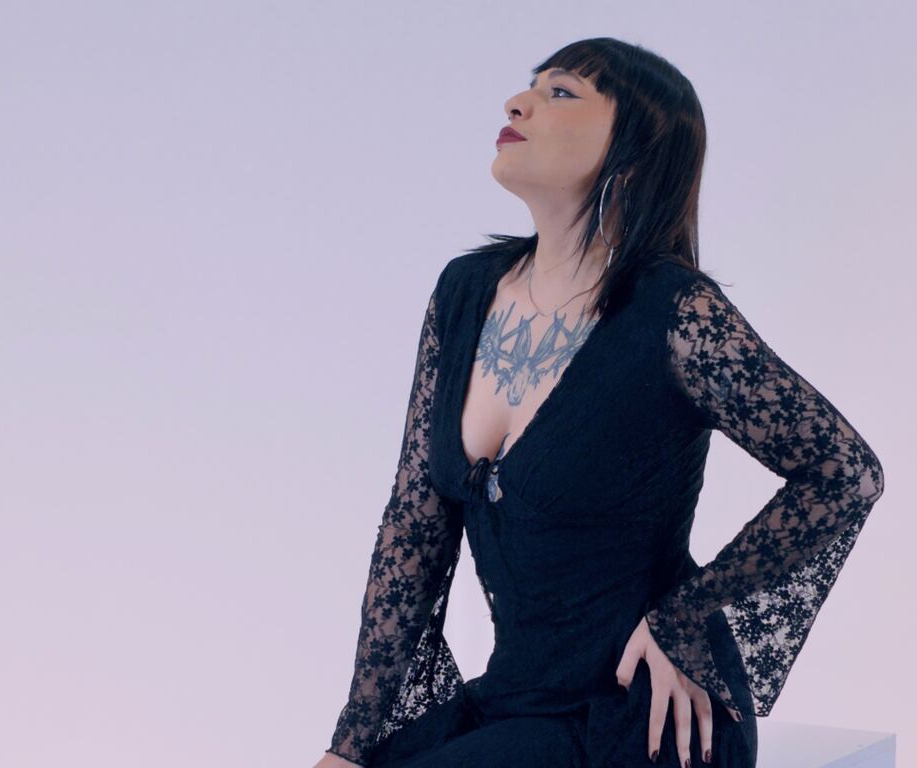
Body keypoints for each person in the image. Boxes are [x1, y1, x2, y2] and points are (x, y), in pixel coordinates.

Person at [313, 37, 885, 768]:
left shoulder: (675, 314)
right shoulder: (464, 292)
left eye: (561, 92)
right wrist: (351, 745)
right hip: (517, 695)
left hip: (642, 711)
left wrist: (683, 620)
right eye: (531, 86)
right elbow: (413, 528)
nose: (517, 104)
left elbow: (845, 472)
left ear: (635, 154)